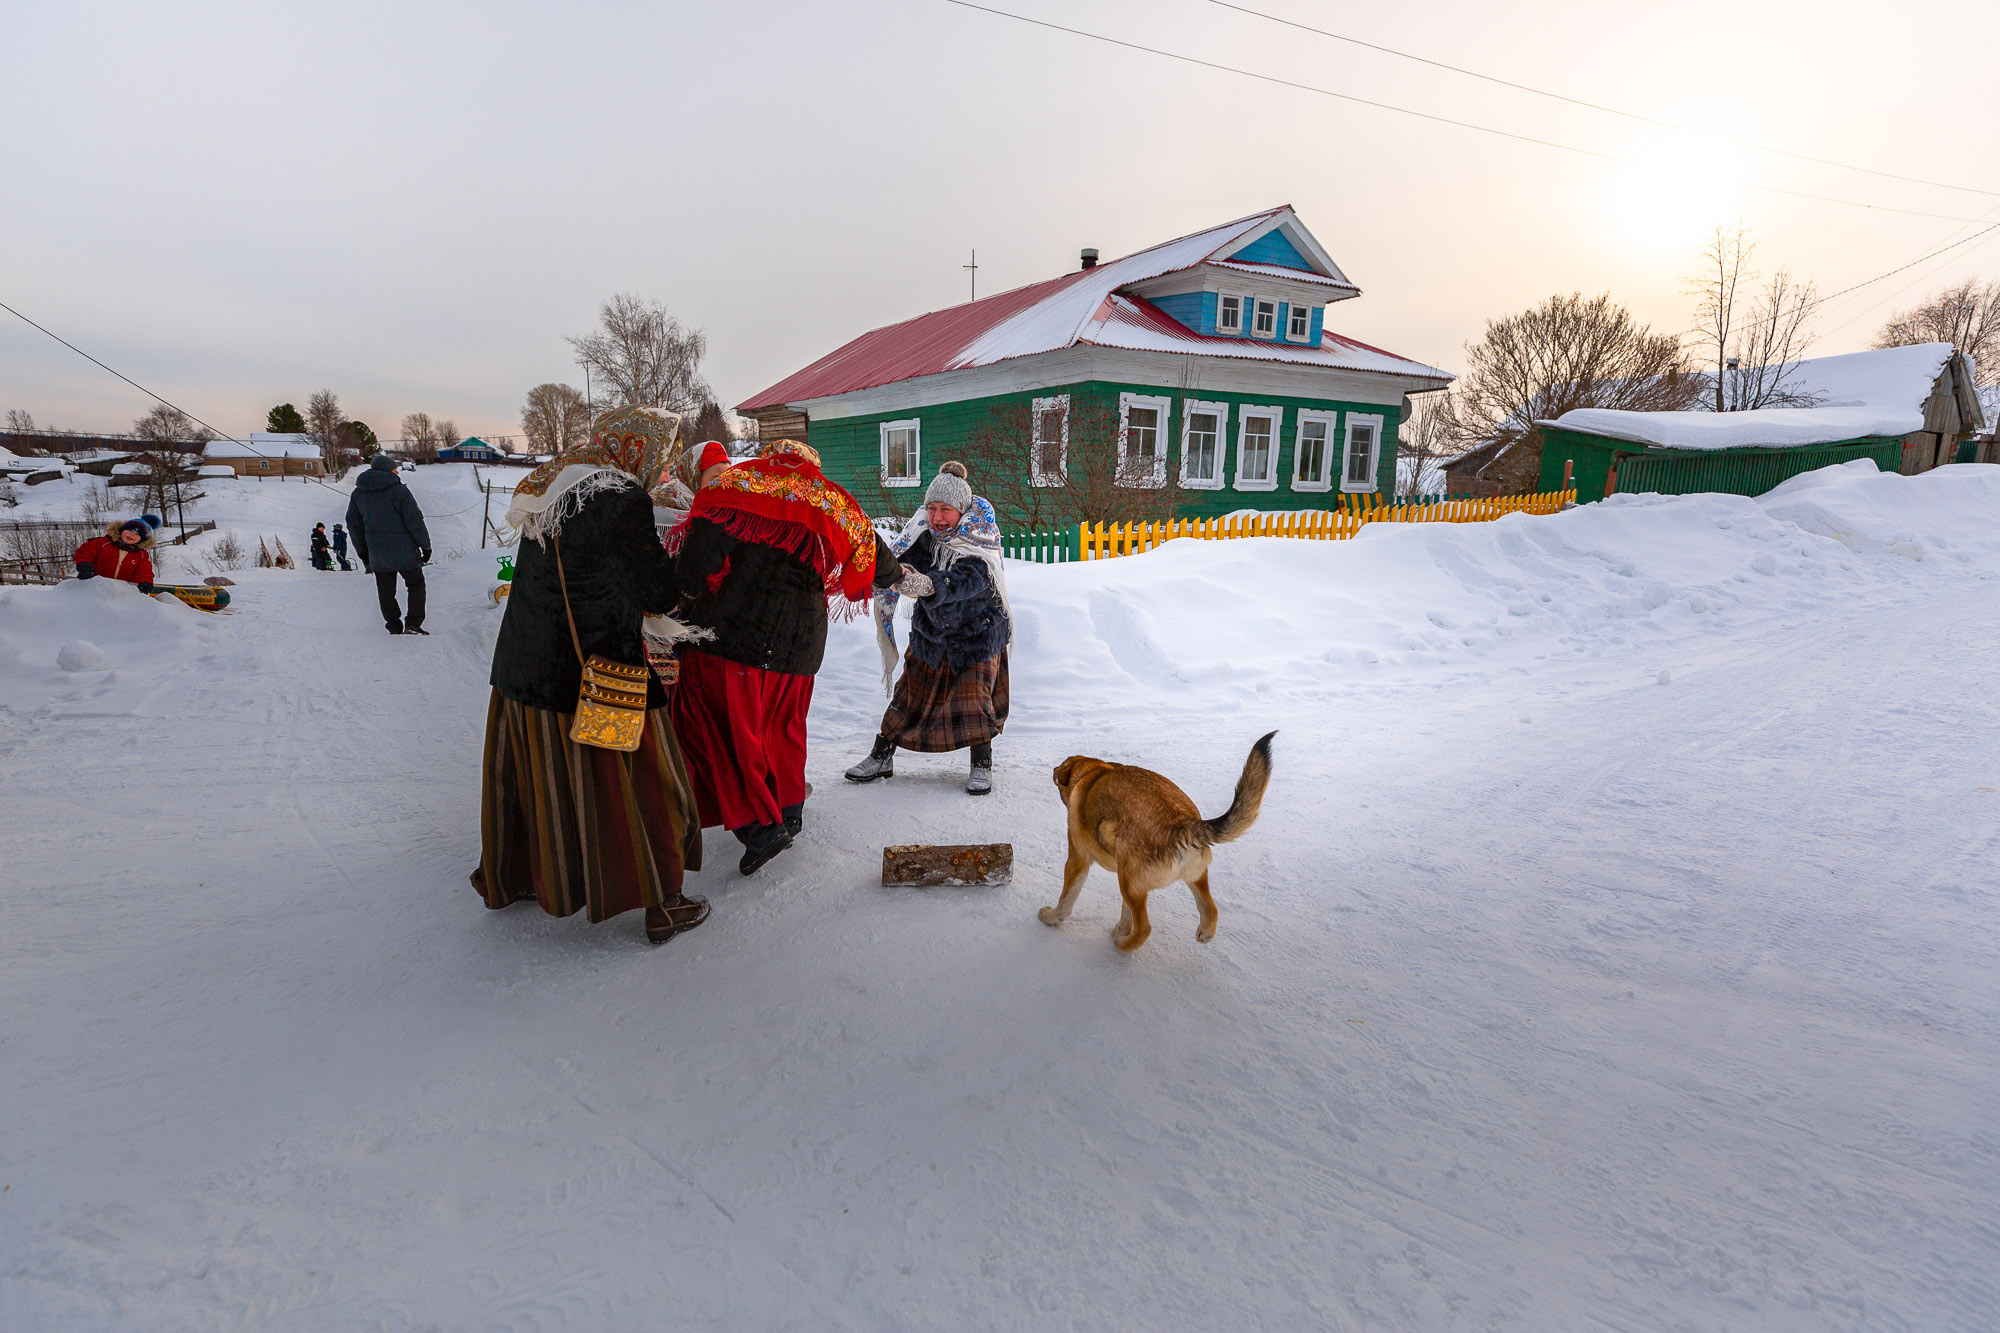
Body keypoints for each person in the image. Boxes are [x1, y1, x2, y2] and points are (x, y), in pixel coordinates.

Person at [475, 406, 709, 944]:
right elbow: (658, 592)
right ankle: (663, 903)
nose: (665, 463)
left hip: (523, 667)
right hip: (596, 673)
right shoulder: (620, 497)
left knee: (540, 780)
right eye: (663, 451)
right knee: (647, 783)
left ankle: (523, 879)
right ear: (639, 449)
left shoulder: (558, 481)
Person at [668, 439, 901, 874]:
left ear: (768, 459)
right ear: (813, 467)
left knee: (720, 728)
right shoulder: (833, 502)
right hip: (800, 645)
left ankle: (758, 825)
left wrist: (680, 596)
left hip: (733, 637)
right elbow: (876, 557)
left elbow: (698, 558)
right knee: (783, 726)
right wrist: (904, 577)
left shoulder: (740, 484)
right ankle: (789, 811)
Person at [846, 461, 1011, 795]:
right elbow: (903, 562)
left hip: (976, 637)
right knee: (908, 696)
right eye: (932, 508)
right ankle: (882, 757)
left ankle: (981, 764)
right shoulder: (925, 536)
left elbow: (969, 581)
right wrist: (895, 570)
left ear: (961, 510)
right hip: (932, 635)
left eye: (946, 510)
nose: (937, 517)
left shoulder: (979, 539)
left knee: (974, 700)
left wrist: (928, 585)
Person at [346, 454, 432, 634]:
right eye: (394, 468)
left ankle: (393, 626)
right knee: (416, 585)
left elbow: (354, 526)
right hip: (405, 550)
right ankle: (413, 624)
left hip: (377, 551)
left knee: (386, 591)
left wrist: (364, 553)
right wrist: (425, 546)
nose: (396, 472)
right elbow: (415, 521)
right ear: (387, 469)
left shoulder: (358, 493)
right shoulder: (400, 490)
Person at [649, 439, 732, 531]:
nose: (723, 485)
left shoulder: (725, 511)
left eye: (726, 478)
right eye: (716, 479)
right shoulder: (661, 506)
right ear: (695, 478)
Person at [72, 515, 162, 593]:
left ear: (142, 540)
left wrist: (145, 582)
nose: (132, 534)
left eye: (138, 534)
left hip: (120, 592)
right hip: (95, 586)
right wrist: (85, 566)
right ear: (121, 530)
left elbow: (144, 571)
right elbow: (85, 552)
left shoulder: (141, 555)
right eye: (130, 530)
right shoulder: (103, 543)